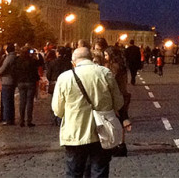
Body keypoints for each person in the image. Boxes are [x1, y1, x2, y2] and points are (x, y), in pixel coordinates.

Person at [52, 47, 124, 177]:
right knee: (99, 171)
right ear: (91, 58)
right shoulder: (105, 73)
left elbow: (57, 110)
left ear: (73, 62)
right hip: (102, 131)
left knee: (74, 172)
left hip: (75, 133)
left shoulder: (64, 78)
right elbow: (118, 103)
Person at [103, 46, 131, 156]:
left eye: (106, 55)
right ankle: (121, 145)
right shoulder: (122, 66)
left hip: (115, 96)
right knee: (121, 119)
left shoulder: (112, 67)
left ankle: (115, 145)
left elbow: (110, 82)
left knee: (113, 120)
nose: (104, 57)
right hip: (123, 95)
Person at [15, 46, 40, 127]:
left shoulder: (18, 60)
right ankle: (29, 120)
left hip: (21, 82)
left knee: (22, 101)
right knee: (30, 102)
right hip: (30, 82)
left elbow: (14, 70)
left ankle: (21, 120)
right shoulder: (32, 61)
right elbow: (39, 65)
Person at [47, 46, 73, 125]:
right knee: (64, 101)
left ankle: (54, 119)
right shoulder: (68, 62)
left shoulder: (53, 62)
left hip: (54, 83)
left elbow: (48, 74)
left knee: (54, 101)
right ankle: (61, 119)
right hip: (65, 83)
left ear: (57, 53)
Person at [0, 43, 17, 125]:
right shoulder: (14, 57)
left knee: (6, 101)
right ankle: (8, 118)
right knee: (9, 100)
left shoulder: (9, 58)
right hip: (11, 81)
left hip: (7, 81)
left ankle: (6, 119)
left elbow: (3, 69)